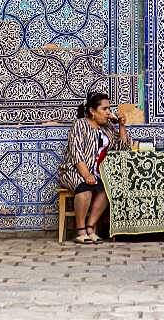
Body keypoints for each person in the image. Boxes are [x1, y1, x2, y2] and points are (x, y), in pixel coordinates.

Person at [59, 92, 130, 244]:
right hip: (74, 170)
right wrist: (86, 175)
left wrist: (121, 125)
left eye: (109, 109)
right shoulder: (79, 125)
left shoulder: (108, 128)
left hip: (97, 172)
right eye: (104, 109)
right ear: (92, 111)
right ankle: (80, 230)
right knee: (85, 187)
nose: (108, 113)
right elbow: (76, 153)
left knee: (107, 188)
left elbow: (123, 149)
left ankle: (90, 228)